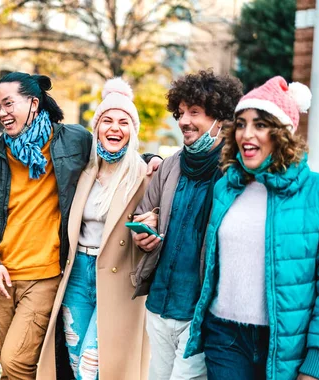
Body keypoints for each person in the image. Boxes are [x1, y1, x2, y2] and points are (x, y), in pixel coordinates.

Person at [184, 76, 319, 380]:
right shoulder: (225, 188)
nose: (246, 134)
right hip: (224, 339)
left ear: (283, 133)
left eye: (260, 125)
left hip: (287, 344)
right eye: (240, 123)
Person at [0, 72, 93, 379]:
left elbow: (114, 157)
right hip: (1, 278)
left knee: (15, 362)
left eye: (8, 104)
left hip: (45, 275)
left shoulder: (74, 140)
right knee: (13, 369)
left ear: (33, 103)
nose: (2, 113)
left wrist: (151, 159)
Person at [36, 78, 151, 379]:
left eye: (123, 122)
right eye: (107, 120)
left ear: (132, 131)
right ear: (97, 127)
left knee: (92, 366)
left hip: (117, 278)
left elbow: (153, 216)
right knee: (76, 364)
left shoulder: (142, 174)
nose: (115, 128)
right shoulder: (84, 171)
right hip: (77, 275)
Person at [132, 69, 243, 380]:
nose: (183, 121)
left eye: (194, 112)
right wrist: (145, 227)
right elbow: (142, 213)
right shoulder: (169, 166)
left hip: (200, 312)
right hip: (159, 305)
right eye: (180, 113)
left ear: (220, 118)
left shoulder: (234, 174)